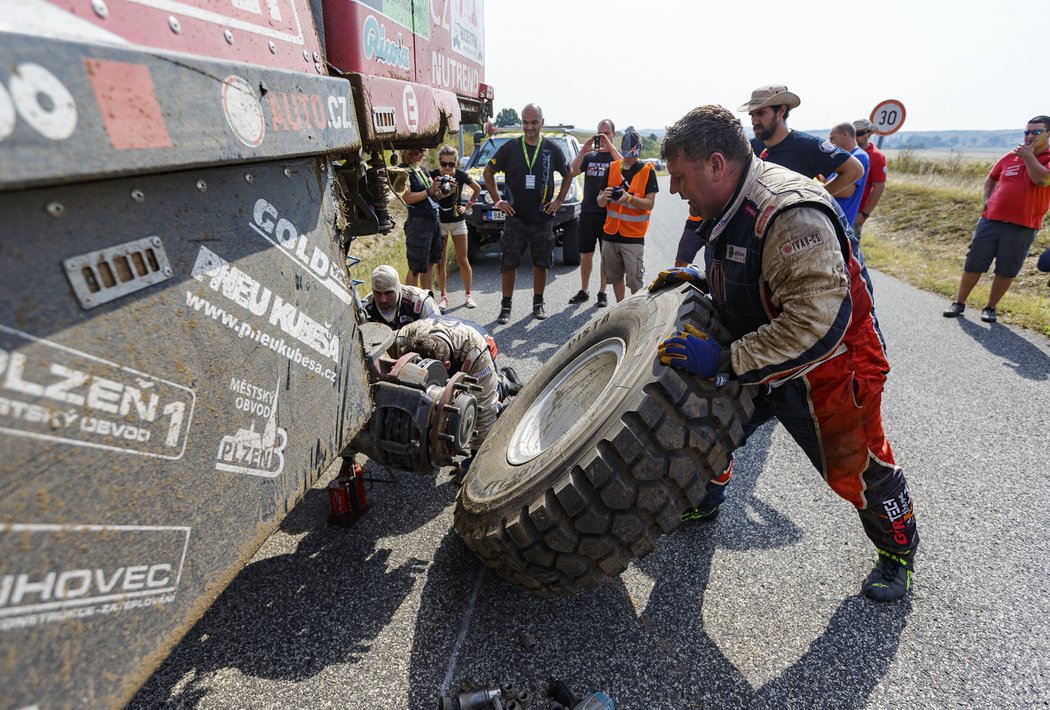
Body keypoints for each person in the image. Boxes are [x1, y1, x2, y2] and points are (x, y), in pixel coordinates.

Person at [652, 104, 919, 602]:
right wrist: (700, 281)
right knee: (710, 426)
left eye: (680, 176)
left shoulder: (789, 213)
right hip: (766, 350)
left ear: (715, 165)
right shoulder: (730, 199)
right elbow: (753, 277)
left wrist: (727, 361)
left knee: (859, 470)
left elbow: (816, 322)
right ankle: (707, 499)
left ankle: (899, 553)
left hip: (833, 365)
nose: (674, 189)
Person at [943, 116, 1050, 323]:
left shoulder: (1045, 157)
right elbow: (991, 178)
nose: (1029, 136)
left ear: (1048, 134)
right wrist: (987, 200)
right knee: (974, 262)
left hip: (1023, 225)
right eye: (1027, 131)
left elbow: (1042, 180)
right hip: (991, 220)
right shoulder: (1010, 156)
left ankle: (990, 307)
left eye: (1036, 132)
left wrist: (1028, 156)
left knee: (1006, 268)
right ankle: (959, 302)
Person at [483, 103, 572, 323]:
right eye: (525, 122)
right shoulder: (511, 147)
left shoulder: (552, 148)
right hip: (515, 218)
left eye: (533, 122)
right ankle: (506, 307)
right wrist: (497, 201)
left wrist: (559, 199)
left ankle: (538, 304)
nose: (529, 127)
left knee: (541, 263)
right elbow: (488, 172)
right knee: (509, 264)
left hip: (542, 218)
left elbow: (569, 173)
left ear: (542, 122)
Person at [394, 316, 510, 452]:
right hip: (442, 330)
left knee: (477, 398)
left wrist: (477, 454)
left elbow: (485, 410)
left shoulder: (475, 354)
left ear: (447, 365)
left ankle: (503, 384)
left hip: (481, 342)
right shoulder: (404, 337)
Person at [741, 84, 864, 196]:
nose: (754, 120)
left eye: (761, 113)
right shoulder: (750, 148)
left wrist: (817, 198)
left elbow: (854, 169)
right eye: (752, 114)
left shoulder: (807, 145)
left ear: (781, 111)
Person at [596, 129, 658, 301]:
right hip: (610, 235)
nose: (630, 158)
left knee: (635, 282)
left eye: (633, 154)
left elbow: (650, 203)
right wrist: (605, 196)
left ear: (639, 151)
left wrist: (629, 197)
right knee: (614, 278)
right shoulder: (612, 168)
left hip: (633, 237)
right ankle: (619, 308)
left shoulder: (647, 171)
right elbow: (599, 202)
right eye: (627, 154)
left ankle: (635, 315)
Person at [567, 119, 621, 308]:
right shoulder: (590, 157)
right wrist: (583, 151)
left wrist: (610, 147)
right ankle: (584, 290)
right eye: (600, 133)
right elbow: (572, 172)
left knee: (605, 255)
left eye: (607, 133)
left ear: (613, 134)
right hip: (589, 211)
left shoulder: (614, 158)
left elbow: (625, 168)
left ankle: (602, 292)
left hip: (608, 213)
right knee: (586, 254)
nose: (603, 136)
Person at [430, 145, 482, 311]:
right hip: (440, 222)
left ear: (456, 163)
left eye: (451, 165)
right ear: (439, 162)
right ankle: (443, 296)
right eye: (443, 164)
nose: (447, 168)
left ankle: (468, 295)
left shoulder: (460, 175)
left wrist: (467, 206)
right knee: (441, 261)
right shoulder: (433, 175)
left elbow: (477, 189)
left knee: (463, 259)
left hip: (458, 220)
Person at [399, 148, 443, 289]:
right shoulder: (403, 171)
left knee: (429, 264)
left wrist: (446, 190)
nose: (424, 154)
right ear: (409, 152)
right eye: (420, 151)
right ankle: (410, 301)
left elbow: (435, 195)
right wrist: (429, 191)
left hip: (432, 220)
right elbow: (407, 198)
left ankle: (427, 299)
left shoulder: (422, 170)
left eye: (424, 151)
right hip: (418, 223)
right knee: (416, 267)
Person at [362, 264, 440, 328]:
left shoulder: (421, 302)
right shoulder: (364, 309)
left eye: (388, 293)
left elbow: (439, 334)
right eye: (378, 293)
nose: (383, 300)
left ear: (397, 288)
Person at [828, 121, 871, 225]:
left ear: (844, 135)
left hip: (840, 222)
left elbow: (846, 191)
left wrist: (815, 191)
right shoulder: (844, 158)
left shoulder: (858, 157)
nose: (830, 143)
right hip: (833, 219)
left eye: (832, 138)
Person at [853, 119, 888, 238]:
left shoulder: (877, 156)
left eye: (860, 133)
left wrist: (864, 214)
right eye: (854, 133)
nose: (856, 137)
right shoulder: (847, 151)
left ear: (869, 134)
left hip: (856, 212)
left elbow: (879, 187)